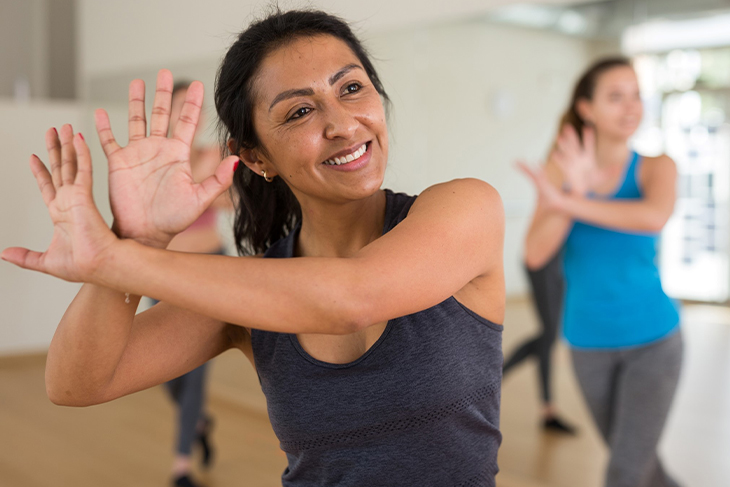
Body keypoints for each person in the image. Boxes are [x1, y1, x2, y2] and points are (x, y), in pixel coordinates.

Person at [2, 9, 506, 487]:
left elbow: (352, 297)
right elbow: (75, 384)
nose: (343, 124)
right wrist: (139, 238)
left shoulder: (465, 208)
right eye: (300, 111)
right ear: (257, 158)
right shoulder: (255, 297)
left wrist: (118, 259)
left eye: (352, 88)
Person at [520, 57, 683, 487]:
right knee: (643, 466)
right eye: (616, 96)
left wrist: (571, 200)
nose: (631, 106)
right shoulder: (562, 172)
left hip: (654, 340)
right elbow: (536, 253)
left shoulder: (656, 166)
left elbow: (652, 216)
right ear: (587, 108)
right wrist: (573, 187)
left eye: (635, 95)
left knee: (625, 473)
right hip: (588, 344)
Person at [149, 81, 234, 487]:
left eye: (196, 109)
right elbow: (157, 211)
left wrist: (208, 190)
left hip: (210, 268)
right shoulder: (154, 163)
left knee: (195, 367)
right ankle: (198, 420)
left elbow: (231, 201)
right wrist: (202, 189)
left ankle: (181, 466)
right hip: (164, 271)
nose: (192, 117)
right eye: (183, 108)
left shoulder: (214, 154)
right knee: (163, 369)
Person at [502, 250, 576, 435]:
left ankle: (495, 376)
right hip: (544, 261)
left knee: (548, 336)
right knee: (549, 335)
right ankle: (548, 410)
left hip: (560, 262)